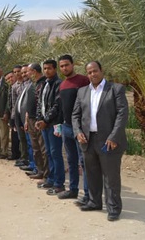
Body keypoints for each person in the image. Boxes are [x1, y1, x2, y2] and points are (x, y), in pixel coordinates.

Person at [72, 61, 128, 222]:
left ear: (101, 70)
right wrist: (78, 132)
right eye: (89, 72)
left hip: (109, 141)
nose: (92, 75)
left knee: (111, 177)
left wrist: (114, 137)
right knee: (92, 174)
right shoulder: (82, 92)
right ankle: (94, 202)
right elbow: (75, 115)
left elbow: (122, 114)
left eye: (95, 71)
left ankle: (114, 208)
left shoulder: (115, 89)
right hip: (88, 141)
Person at [57, 55, 90, 202]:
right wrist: (59, 125)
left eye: (66, 65)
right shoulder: (63, 84)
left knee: (84, 162)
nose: (64, 68)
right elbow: (62, 107)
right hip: (66, 127)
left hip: (80, 128)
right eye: (62, 66)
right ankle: (73, 190)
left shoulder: (83, 81)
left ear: (73, 65)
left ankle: (89, 194)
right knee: (71, 161)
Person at [35, 59, 65, 196]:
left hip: (54, 125)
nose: (47, 71)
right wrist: (39, 119)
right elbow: (40, 103)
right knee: (48, 153)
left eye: (49, 68)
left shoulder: (59, 84)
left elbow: (57, 106)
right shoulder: (44, 84)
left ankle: (59, 184)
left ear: (55, 69)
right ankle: (51, 179)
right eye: (45, 68)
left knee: (55, 153)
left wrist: (46, 120)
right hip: (45, 125)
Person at [21, 63, 48, 181]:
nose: (26, 74)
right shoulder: (33, 84)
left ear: (34, 71)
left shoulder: (43, 84)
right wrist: (27, 119)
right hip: (31, 120)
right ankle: (39, 170)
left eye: (28, 71)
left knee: (43, 149)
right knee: (35, 147)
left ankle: (47, 175)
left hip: (40, 121)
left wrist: (41, 119)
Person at [8, 65, 25, 161]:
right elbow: (14, 104)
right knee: (18, 137)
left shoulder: (27, 84)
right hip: (17, 115)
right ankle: (18, 155)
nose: (17, 73)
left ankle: (26, 158)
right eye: (15, 72)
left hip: (27, 115)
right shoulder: (14, 86)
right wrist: (13, 118)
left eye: (19, 71)